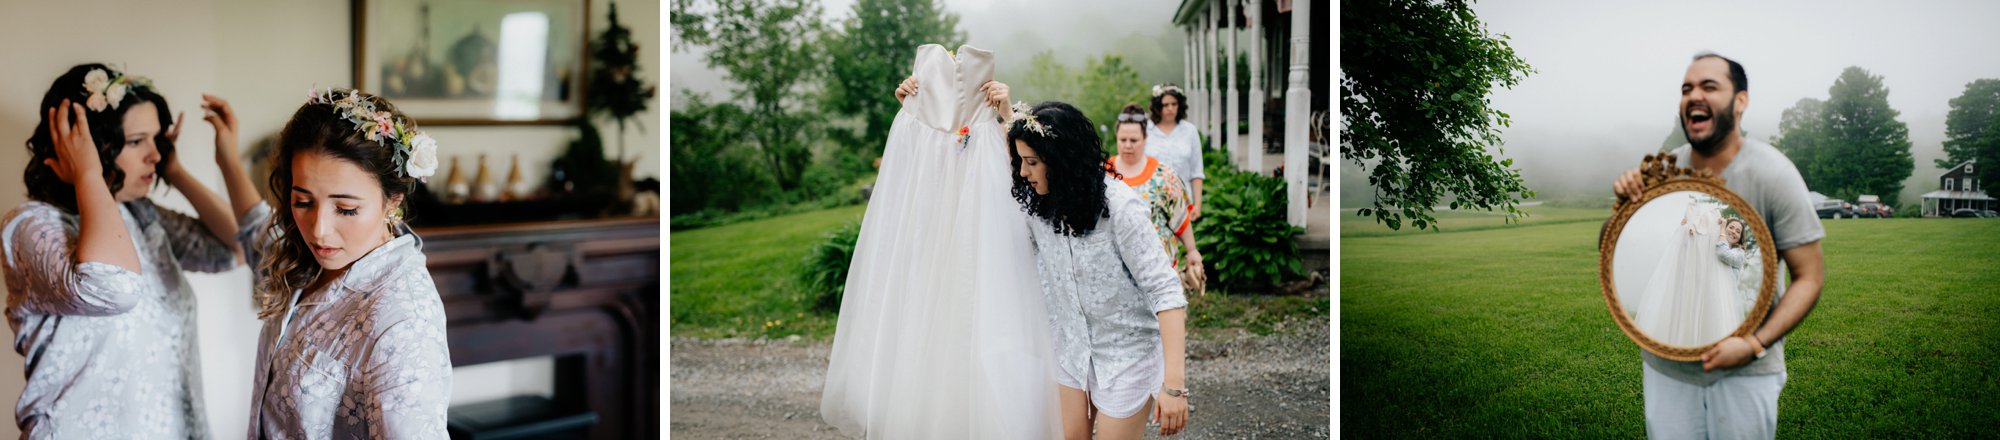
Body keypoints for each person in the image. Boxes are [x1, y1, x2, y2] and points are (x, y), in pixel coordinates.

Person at [820, 44, 1061, 439]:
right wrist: (907, 108)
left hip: (981, 234)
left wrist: (1006, 114)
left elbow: (1024, 166)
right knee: (924, 320)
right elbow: (900, 183)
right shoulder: (913, 111)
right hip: (927, 234)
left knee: (980, 319)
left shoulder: (994, 110)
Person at [3, 64, 248, 438]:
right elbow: (111, 286)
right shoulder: (30, 226)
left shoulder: (141, 215)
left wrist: (177, 171)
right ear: (89, 146)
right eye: (136, 142)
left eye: (157, 140)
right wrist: (88, 174)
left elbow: (237, 246)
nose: (155, 155)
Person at [1610, 52, 1826, 439]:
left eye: (1709, 86)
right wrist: (1624, 208)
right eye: (1686, 88)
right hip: (1667, 364)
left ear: (1740, 101)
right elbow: (1610, 249)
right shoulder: (1665, 170)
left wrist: (1754, 345)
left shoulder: (1774, 174)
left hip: (1747, 371)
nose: (1694, 95)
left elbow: (1809, 277)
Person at [239, 87, 451, 438]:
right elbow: (256, 232)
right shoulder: (312, 261)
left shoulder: (402, 321)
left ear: (391, 202)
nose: (319, 231)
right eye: (303, 201)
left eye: (346, 209)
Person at [1009, 101, 1191, 438]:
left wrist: (1174, 387)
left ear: (1061, 162)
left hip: (1126, 355)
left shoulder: (1121, 208)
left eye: (1032, 162)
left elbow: (1166, 293)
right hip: (1070, 350)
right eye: (1021, 161)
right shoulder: (1036, 208)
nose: (1023, 172)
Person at [1108, 104, 1205, 294]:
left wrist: (1192, 250)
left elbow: (1181, 219)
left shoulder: (1163, 175)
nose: (1128, 145)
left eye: (1134, 140)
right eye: (1123, 139)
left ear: (1145, 139)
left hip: (1160, 271)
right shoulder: (1103, 174)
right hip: (1116, 274)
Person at [1632, 196, 1740, 347]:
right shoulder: (1696, 211)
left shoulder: (1734, 249)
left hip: (1710, 270)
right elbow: (1680, 245)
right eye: (1732, 228)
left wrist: (1720, 228)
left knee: (1709, 304)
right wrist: (1685, 227)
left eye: (1737, 231)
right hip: (1693, 263)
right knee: (1687, 296)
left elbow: (1722, 251)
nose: (1733, 232)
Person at [1144, 83, 1204, 221]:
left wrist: (1198, 205)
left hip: (1182, 202)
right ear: (1157, 106)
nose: (1170, 108)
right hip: (1150, 202)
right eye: (1165, 105)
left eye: (1174, 104)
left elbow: (1197, 172)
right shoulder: (1146, 130)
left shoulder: (1190, 131)